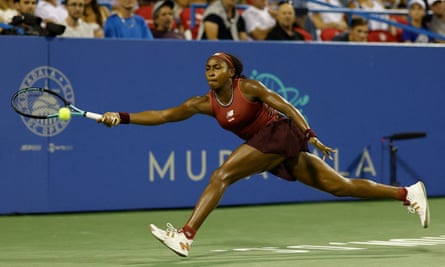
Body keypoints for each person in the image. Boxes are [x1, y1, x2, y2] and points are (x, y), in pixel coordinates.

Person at [99, 52, 430, 257]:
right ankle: (406, 193)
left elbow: (285, 106)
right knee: (338, 186)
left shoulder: (250, 87)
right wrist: (122, 116)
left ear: (232, 72)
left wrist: (309, 134)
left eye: (217, 67)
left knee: (221, 175)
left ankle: (185, 236)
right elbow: (162, 115)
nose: (210, 71)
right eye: (207, 68)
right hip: (271, 145)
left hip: (279, 134)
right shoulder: (203, 103)